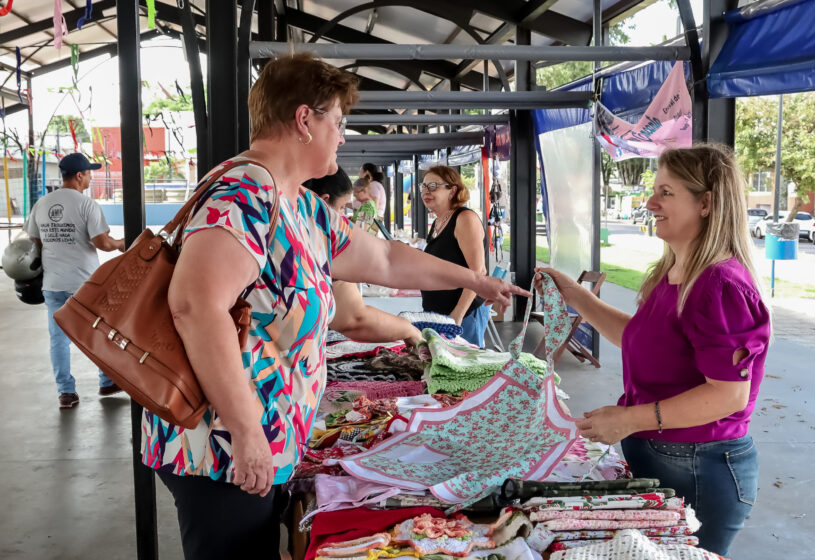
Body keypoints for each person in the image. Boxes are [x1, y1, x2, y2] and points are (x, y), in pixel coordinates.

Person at [143, 53, 527, 560]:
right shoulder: (244, 192)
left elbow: (386, 259)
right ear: (305, 119)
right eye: (338, 122)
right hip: (220, 449)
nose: (343, 136)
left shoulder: (297, 202)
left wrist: (474, 279)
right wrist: (246, 430)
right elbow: (196, 306)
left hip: (256, 441)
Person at [536, 144, 770, 557]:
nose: (650, 202)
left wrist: (629, 419)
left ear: (706, 203)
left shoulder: (720, 285)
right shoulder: (675, 270)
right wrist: (575, 295)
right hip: (664, 456)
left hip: (701, 466)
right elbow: (640, 337)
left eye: (666, 192)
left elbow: (727, 393)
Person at [24, 152, 125, 409]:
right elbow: (102, 242)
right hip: (85, 285)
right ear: (79, 176)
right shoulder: (86, 204)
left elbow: (34, 241)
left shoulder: (42, 203)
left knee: (58, 340)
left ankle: (66, 393)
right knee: (101, 332)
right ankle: (106, 380)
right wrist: (123, 244)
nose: (91, 177)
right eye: (89, 173)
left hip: (53, 284)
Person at [305, 169, 422, 346]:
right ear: (323, 202)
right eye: (342, 207)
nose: (343, 216)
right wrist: (408, 330)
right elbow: (354, 319)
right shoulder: (321, 243)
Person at [419, 165, 490, 347]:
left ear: (452, 191)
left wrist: (456, 315)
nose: (426, 191)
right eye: (423, 186)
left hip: (463, 314)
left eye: (433, 186)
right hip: (439, 314)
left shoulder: (465, 218)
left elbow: (478, 271)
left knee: (466, 370)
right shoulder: (438, 221)